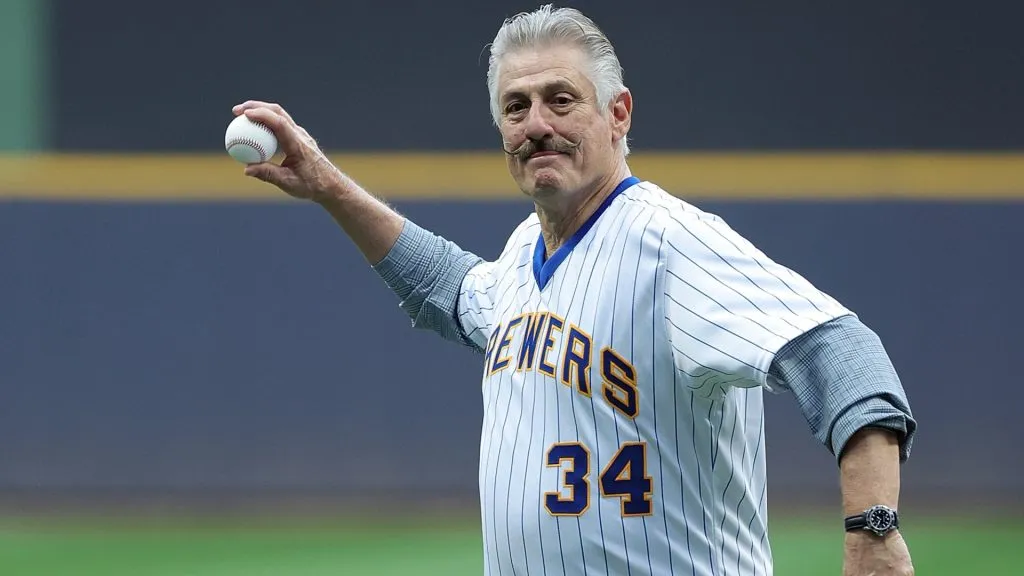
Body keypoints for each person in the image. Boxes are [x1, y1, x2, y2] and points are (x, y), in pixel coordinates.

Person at [232, 5, 916, 575]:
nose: (537, 125)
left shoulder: (671, 244)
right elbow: (445, 288)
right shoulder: (526, 248)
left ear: (617, 113)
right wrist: (325, 185)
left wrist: (873, 532)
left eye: (561, 99)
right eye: (516, 107)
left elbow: (841, 353)